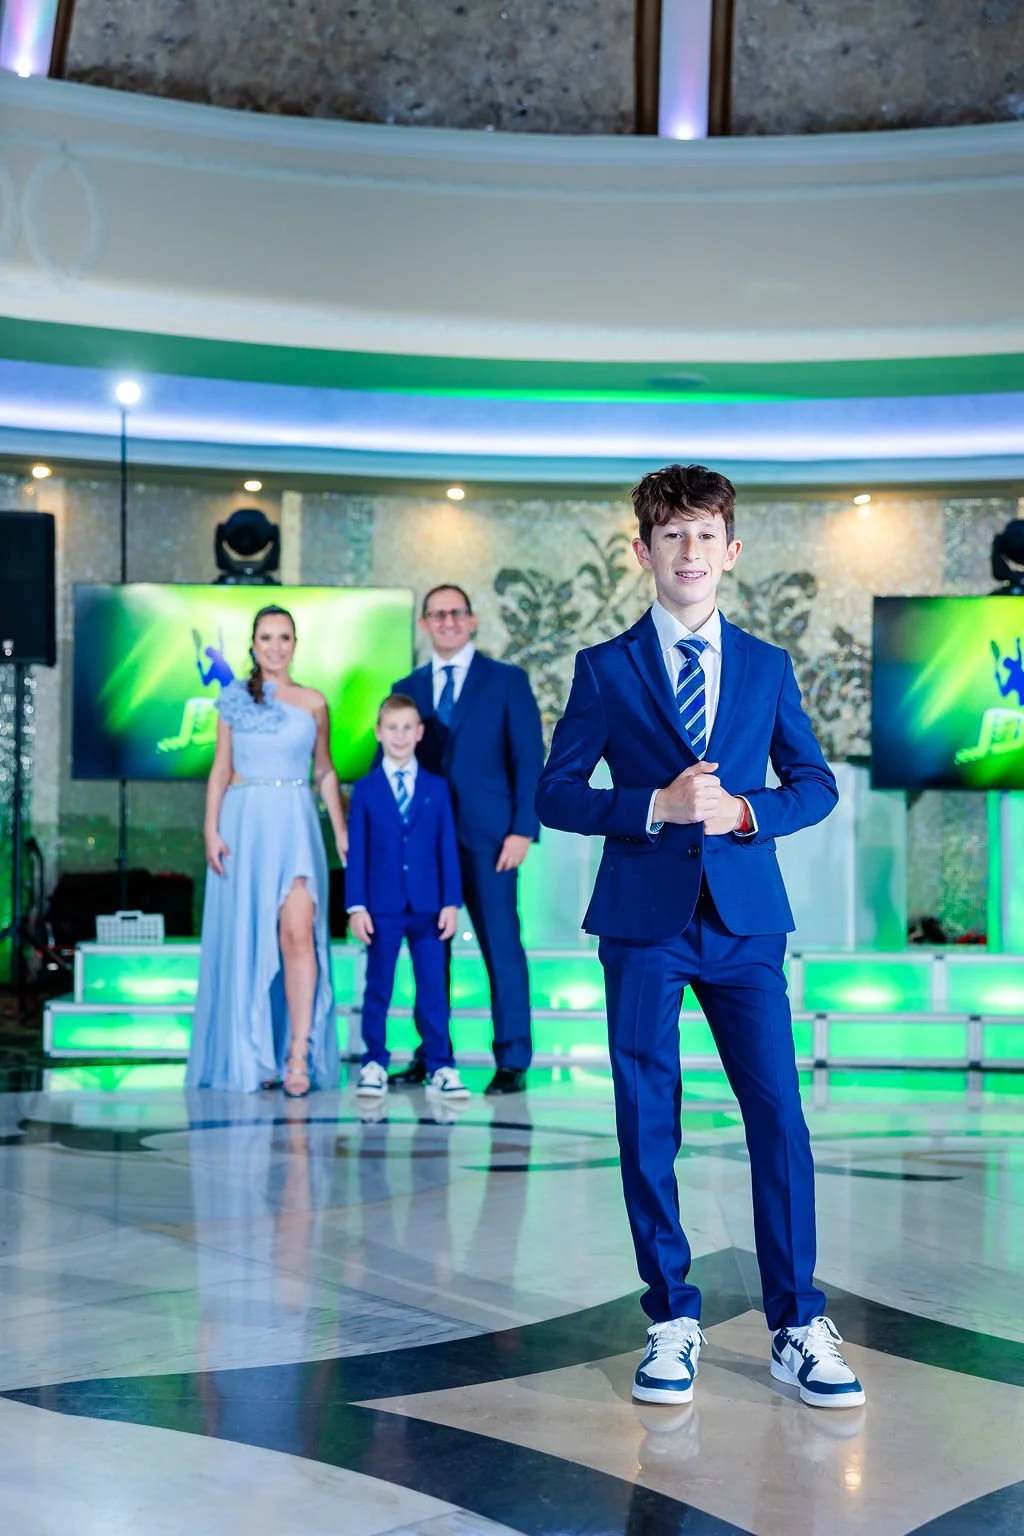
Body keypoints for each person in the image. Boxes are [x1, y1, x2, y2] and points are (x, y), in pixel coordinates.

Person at [536, 464, 865, 1411]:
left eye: (705, 535)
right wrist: (653, 804)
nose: (689, 552)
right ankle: (670, 1316)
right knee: (649, 1118)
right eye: (671, 536)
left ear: (733, 549)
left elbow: (814, 783)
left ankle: (798, 1322)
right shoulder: (604, 667)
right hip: (643, 924)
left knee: (780, 1119)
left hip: (747, 924)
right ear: (643, 551)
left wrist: (744, 815)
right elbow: (557, 793)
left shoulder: (766, 665)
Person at [387, 585, 545, 1096]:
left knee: (501, 947)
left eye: (457, 613)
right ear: (424, 624)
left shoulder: (506, 681)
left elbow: (528, 759)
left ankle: (513, 1057)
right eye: (438, 614)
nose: (448, 621)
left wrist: (523, 828)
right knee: (430, 950)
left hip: (493, 839)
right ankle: (432, 1052)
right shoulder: (406, 687)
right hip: (427, 843)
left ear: (472, 621)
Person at [187, 604, 347, 1097]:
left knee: (299, 934)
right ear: (253, 645)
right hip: (243, 824)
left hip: (295, 821)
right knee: (246, 941)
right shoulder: (234, 699)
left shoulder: (315, 702)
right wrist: (211, 830)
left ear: (295, 644)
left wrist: (340, 831)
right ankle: (252, 1055)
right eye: (266, 638)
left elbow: (324, 769)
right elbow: (219, 769)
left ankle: (297, 1053)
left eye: (284, 637)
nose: (276, 646)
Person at [346, 694, 468, 1100]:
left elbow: (446, 847)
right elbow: (357, 851)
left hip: (430, 906)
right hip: (381, 907)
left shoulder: (437, 787)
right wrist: (356, 905)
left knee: (433, 987)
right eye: (391, 728)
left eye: (406, 728)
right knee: (377, 986)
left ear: (419, 733)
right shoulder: (365, 790)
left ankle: (440, 1065)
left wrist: (452, 901)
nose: (399, 736)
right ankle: (374, 1062)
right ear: (379, 733)